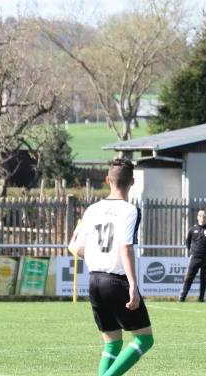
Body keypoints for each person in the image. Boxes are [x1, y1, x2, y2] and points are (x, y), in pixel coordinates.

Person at [72, 159, 154, 376]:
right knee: (145, 339)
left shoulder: (92, 209)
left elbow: (78, 248)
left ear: (108, 180)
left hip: (94, 280)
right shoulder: (130, 210)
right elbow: (126, 248)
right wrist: (133, 286)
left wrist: (99, 262)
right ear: (132, 182)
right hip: (115, 281)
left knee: (112, 342)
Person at [179, 210, 206, 303]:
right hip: (195, 257)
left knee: (204, 279)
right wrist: (192, 252)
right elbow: (187, 242)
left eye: (204, 216)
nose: (202, 218)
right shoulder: (192, 229)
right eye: (201, 216)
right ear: (197, 217)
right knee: (189, 277)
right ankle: (182, 297)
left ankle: (201, 298)